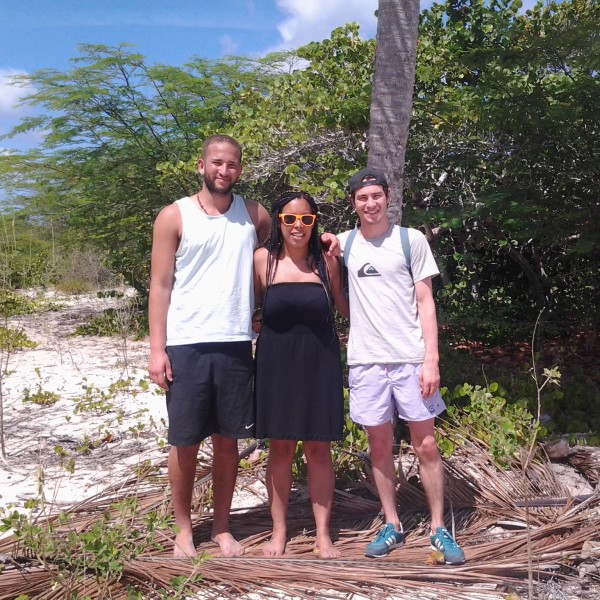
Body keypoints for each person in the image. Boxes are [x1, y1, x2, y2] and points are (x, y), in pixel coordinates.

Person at [147, 134, 271, 558]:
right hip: (186, 343)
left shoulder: (255, 215)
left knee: (227, 441)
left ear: (240, 168)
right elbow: (160, 285)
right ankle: (184, 529)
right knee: (183, 440)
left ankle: (221, 527)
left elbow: (264, 266)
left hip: (237, 341)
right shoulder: (173, 216)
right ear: (200, 166)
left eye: (232, 164)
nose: (224, 171)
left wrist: (259, 306)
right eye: (216, 163)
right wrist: (157, 349)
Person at [338, 167, 466, 564]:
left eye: (376, 195)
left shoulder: (411, 241)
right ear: (353, 203)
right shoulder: (341, 244)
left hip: (411, 359)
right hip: (366, 362)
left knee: (425, 443)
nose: (370, 203)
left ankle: (437, 528)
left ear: (388, 197)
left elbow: (426, 301)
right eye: (362, 197)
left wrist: (432, 359)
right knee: (379, 445)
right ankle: (391, 523)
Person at [253, 191, 348, 559]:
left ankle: (323, 534)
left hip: (319, 361)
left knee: (319, 449)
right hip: (276, 363)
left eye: (306, 219)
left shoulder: (328, 261)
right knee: (279, 448)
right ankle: (279, 532)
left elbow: (343, 306)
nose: (298, 226)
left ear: (315, 222)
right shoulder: (263, 261)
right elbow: (246, 309)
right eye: (290, 219)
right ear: (278, 221)